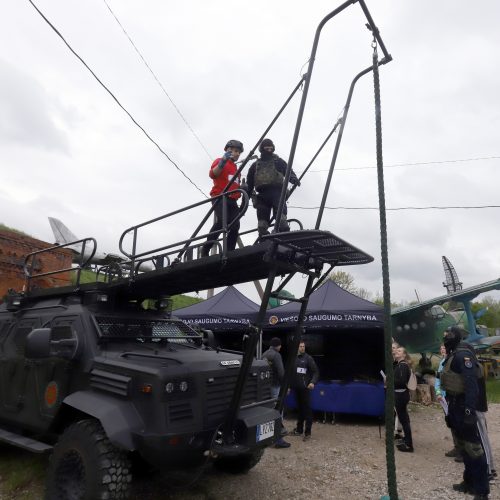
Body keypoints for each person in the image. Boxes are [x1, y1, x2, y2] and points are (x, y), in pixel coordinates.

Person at [440, 326, 490, 499]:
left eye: (448, 336)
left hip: (463, 405)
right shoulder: (453, 355)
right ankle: (469, 481)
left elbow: (471, 385)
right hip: (454, 404)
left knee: (474, 449)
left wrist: (469, 410)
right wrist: (448, 412)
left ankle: (482, 491)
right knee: (463, 447)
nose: (445, 339)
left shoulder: (463, 356)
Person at [246, 138, 300, 237]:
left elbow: (287, 170)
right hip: (262, 195)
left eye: (271, 148)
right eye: (266, 148)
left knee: (281, 220)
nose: (269, 150)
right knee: (262, 224)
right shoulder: (255, 166)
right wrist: (245, 200)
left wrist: (293, 178)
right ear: (262, 149)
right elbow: (249, 183)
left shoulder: (278, 161)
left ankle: (283, 235)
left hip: (277, 193)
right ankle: (263, 238)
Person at [201, 139, 244, 257]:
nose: (237, 154)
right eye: (235, 151)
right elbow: (213, 174)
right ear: (228, 150)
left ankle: (229, 251)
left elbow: (235, 185)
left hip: (233, 200)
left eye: (239, 152)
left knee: (235, 225)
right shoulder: (219, 161)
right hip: (220, 197)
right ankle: (206, 248)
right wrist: (222, 163)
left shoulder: (236, 169)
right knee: (222, 222)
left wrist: (243, 188)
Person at [262, 337, 290, 449]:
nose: (281, 347)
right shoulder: (276, 355)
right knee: (278, 412)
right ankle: (278, 440)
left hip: (265, 388)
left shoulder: (264, 354)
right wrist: (286, 386)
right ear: (277, 345)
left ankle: (267, 438)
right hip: (275, 386)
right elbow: (281, 372)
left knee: (268, 412)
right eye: (280, 345)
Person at [290, 340, 319, 441]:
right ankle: (299, 429)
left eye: (303, 346)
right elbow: (290, 374)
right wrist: (289, 386)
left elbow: (316, 372)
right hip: (296, 389)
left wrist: (312, 382)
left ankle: (308, 432)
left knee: (307, 410)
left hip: (305, 389)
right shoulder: (293, 358)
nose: (302, 348)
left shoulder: (308, 358)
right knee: (300, 410)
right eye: (300, 346)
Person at [393, 346, 414, 452]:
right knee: (403, 418)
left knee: (404, 419)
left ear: (404, 355)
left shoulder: (402, 366)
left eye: (399, 351)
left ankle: (409, 444)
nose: (396, 351)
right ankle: (406, 439)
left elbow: (401, 382)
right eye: (396, 350)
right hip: (401, 394)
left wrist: (389, 381)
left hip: (401, 395)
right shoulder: (399, 365)